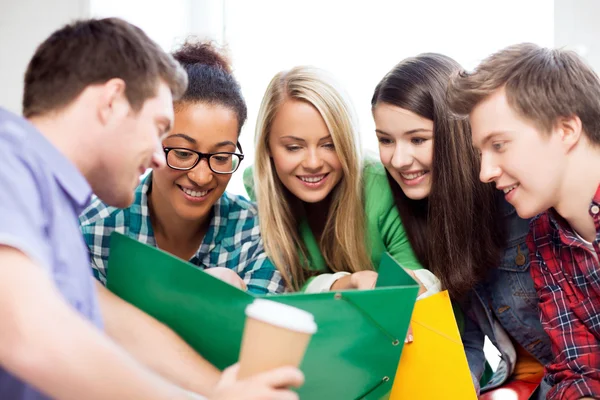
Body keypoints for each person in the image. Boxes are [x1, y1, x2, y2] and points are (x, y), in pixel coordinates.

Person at [0, 17, 302, 400]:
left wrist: (220, 390)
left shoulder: (54, 207)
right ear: (110, 102)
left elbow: (123, 327)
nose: (160, 157)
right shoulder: (6, 157)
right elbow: (29, 335)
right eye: (159, 128)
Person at [371, 53, 552, 398]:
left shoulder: (519, 202)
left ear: (455, 135)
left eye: (418, 139)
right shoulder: (424, 220)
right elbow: (464, 337)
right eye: (386, 140)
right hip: (513, 382)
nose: (398, 159)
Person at [448, 43, 600, 400]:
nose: (485, 172)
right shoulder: (546, 237)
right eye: (480, 153)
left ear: (565, 129)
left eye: (499, 145)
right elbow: (581, 371)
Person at [80, 40, 284, 295]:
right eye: (183, 153)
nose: (202, 176)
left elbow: (258, 332)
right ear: (153, 142)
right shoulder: (95, 229)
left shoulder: (259, 235)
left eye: (221, 157)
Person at [244, 66, 434, 297]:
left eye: (329, 144)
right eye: (293, 147)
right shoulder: (260, 187)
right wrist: (343, 284)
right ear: (268, 147)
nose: (313, 163)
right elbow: (286, 286)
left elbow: (417, 292)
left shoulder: (383, 185)